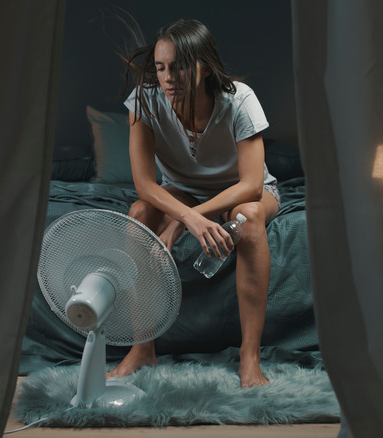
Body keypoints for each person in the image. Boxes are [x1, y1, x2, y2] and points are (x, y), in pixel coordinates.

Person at [107, 18, 281, 388]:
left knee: (248, 219)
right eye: (160, 67)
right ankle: (142, 350)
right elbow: (144, 185)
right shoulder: (144, 101)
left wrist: (186, 220)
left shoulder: (240, 100)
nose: (168, 77)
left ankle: (250, 357)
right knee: (138, 214)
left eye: (178, 66)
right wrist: (185, 214)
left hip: (242, 192)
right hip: (180, 191)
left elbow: (251, 185)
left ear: (202, 67)